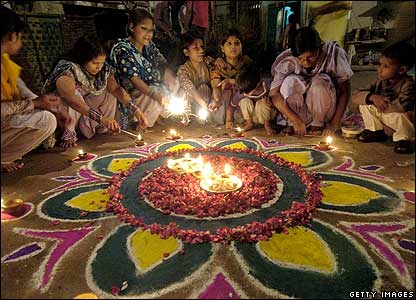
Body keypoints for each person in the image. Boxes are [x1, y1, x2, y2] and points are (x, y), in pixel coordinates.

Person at [43, 35, 146, 148]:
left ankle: (100, 128)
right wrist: (101, 119)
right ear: (83, 58)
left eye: (101, 63)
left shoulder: (103, 69)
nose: (99, 67)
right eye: (95, 63)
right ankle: (68, 134)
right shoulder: (67, 68)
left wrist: (136, 110)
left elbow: (115, 89)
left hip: (83, 112)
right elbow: (71, 99)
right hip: (61, 113)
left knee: (109, 93)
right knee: (74, 95)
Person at [1, 6, 59, 172]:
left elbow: (22, 89)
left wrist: (43, 103)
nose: (21, 42)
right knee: (45, 119)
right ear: (12, 36)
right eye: (20, 37)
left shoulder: (4, 60)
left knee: (47, 117)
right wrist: (34, 104)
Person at [269, 27, 353, 136]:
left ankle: (317, 125)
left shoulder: (333, 54)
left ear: (319, 47)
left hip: (326, 110)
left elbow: (344, 91)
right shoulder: (287, 60)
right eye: (301, 59)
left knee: (320, 81)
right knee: (289, 82)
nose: (306, 63)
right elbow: (274, 95)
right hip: (300, 114)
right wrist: (294, 120)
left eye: (310, 57)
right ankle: (293, 125)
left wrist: (334, 124)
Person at [109, 8, 177, 129]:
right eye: (143, 29)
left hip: (150, 88)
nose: (148, 35)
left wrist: (169, 75)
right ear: (131, 27)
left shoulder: (149, 46)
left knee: (175, 83)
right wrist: (157, 95)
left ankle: (155, 114)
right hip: (132, 94)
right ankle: (140, 122)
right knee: (155, 95)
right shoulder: (123, 49)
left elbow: (163, 63)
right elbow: (134, 80)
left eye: (151, 31)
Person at [352, 42, 415, 154]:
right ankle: (375, 131)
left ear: (402, 69)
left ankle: (404, 139)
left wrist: (383, 103)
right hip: (386, 115)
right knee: (365, 104)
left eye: (386, 66)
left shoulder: (408, 84)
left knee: (402, 115)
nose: (379, 70)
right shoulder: (381, 82)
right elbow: (356, 96)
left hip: (398, 118)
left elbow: (403, 106)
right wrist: (373, 97)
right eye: (380, 65)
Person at [209, 29, 253, 127]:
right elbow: (216, 86)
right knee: (226, 90)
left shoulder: (247, 63)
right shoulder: (218, 66)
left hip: (241, 100)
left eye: (237, 43)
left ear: (241, 46)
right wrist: (217, 100)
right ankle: (226, 119)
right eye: (229, 44)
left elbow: (251, 81)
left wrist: (231, 81)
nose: (233, 47)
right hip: (223, 102)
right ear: (222, 48)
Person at [229, 66, 277, 135]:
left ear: (258, 84)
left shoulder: (269, 84)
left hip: (268, 115)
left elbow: (279, 104)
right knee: (244, 101)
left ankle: (267, 125)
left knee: (261, 104)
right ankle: (249, 124)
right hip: (253, 117)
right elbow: (231, 105)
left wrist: (270, 104)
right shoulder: (244, 92)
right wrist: (228, 120)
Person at [177, 32, 214, 119]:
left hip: (207, 101)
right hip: (193, 101)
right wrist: (201, 102)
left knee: (204, 88)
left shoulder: (209, 62)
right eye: (196, 48)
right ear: (186, 52)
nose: (201, 50)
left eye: (202, 47)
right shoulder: (183, 69)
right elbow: (189, 87)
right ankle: (186, 116)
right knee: (183, 91)